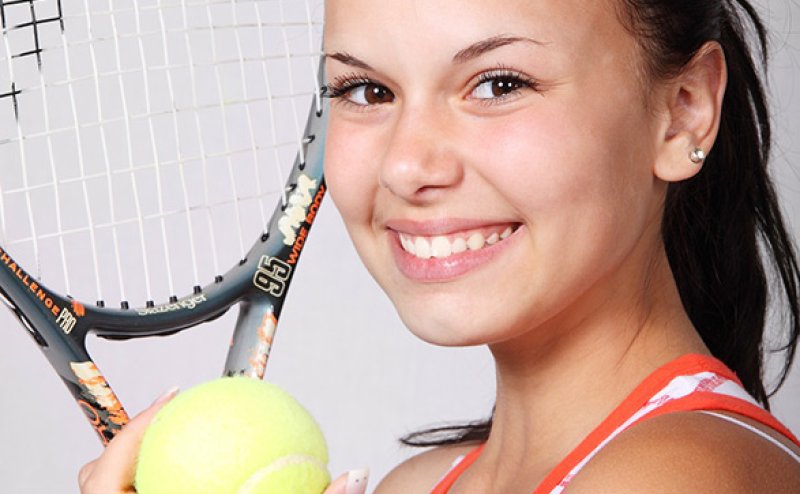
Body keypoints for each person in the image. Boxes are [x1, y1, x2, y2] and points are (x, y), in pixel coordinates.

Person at [79, 0, 800, 493]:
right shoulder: (420, 485)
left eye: (498, 84)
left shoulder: (678, 478)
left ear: (683, 113)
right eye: (365, 90)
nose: (406, 165)